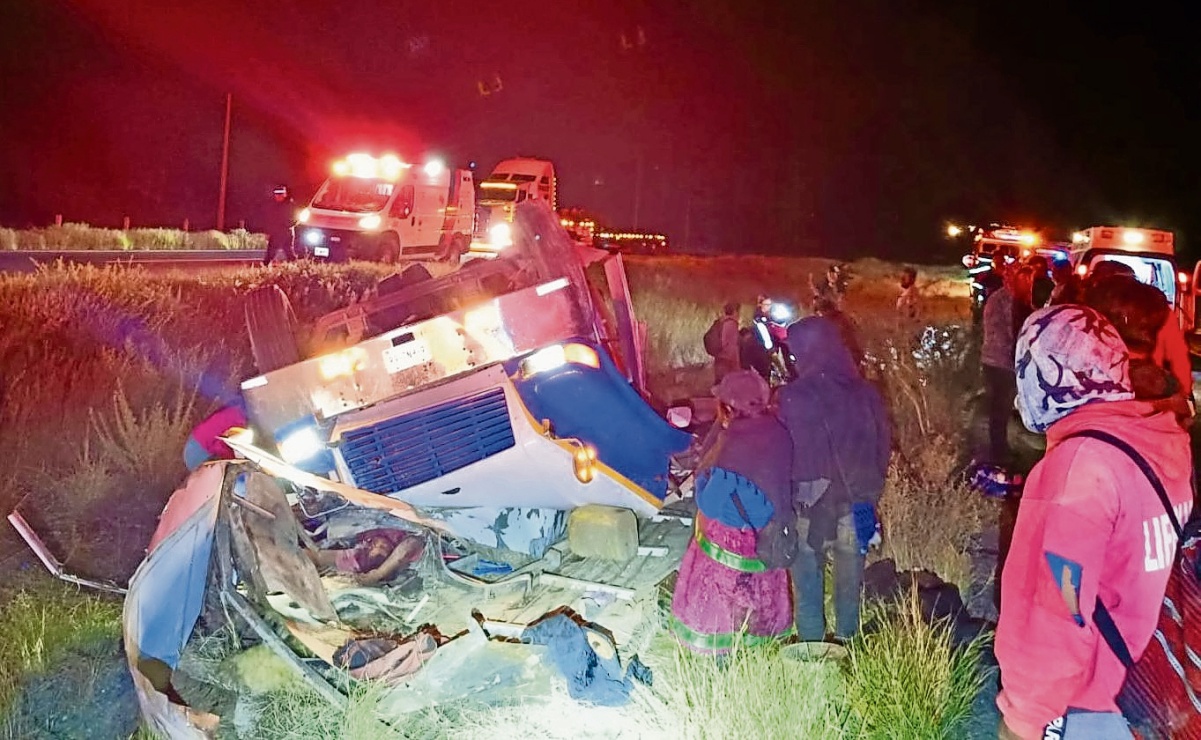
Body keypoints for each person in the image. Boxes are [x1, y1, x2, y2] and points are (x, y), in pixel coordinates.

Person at [996, 304, 1193, 739]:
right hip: (1159, 691)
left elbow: (1060, 605)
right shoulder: (1163, 439)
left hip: (1091, 705)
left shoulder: (1077, 468)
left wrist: (1024, 717)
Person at [777, 317, 890, 642]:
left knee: (807, 575)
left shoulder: (793, 396)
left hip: (809, 505)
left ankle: (811, 643)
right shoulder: (867, 393)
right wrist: (870, 491)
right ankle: (847, 640)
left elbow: (787, 452)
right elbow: (882, 446)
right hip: (858, 502)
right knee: (850, 575)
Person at [669, 370, 796, 654]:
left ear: (728, 406)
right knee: (758, 599)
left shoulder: (733, 443)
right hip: (767, 534)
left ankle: (722, 656)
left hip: (731, 537)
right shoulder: (778, 432)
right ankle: (759, 644)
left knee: (720, 602)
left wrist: (701, 482)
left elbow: (711, 503)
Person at [979, 258, 1021, 468]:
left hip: (1001, 361)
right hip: (999, 362)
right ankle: (998, 453)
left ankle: (1000, 449)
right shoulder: (1002, 300)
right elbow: (1002, 335)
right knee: (1000, 409)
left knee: (1001, 409)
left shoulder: (1011, 299)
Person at [303, 527, 426, 586]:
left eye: (373, 548)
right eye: (382, 549)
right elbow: (410, 544)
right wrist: (378, 573)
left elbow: (318, 557)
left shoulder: (358, 554)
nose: (376, 545)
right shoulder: (404, 544)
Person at [263, 185, 298, 265]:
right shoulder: (273, 205)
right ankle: (295, 264)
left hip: (285, 231)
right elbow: (270, 219)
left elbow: (296, 218)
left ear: (284, 194)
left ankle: (266, 264)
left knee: (282, 250)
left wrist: (288, 225)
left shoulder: (289, 205)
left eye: (280, 194)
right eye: (276, 194)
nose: (278, 196)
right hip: (277, 232)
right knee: (279, 250)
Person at [711, 302, 741, 383]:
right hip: (728, 358)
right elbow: (730, 343)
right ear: (735, 312)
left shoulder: (721, 322)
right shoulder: (731, 323)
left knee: (719, 381)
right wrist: (735, 363)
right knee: (728, 381)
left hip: (719, 355)